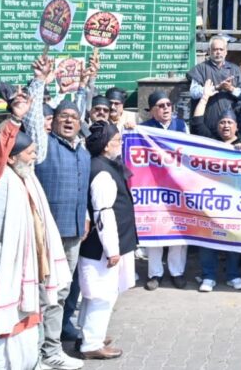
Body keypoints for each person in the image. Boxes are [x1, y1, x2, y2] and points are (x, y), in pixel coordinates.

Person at [0, 111, 70, 370]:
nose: (34, 156)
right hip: (0, 265)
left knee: (27, 319)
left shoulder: (26, 176)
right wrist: (14, 120)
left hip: (28, 265)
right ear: (12, 157)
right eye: (29, 153)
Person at [34, 100, 90, 370]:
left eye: (74, 117)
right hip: (48, 235)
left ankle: (51, 347)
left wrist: (85, 217)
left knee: (62, 292)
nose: (69, 121)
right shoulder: (44, 146)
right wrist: (38, 84)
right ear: (53, 120)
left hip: (74, 233)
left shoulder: (83, 152)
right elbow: (34, 122)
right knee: (45, 294)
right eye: (63, 116)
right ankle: (41, 350)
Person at [76, 122, 134, 360]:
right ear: (105, 146)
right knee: (103, 295)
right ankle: (91, 343)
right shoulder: (102, 172)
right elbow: (103, 213)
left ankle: (88, 333)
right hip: (101, 247)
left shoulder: (101, 165)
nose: (120, 144)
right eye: (117, 141)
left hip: (101, 245)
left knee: (97, 294)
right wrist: (112, 250)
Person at [139, 93, 189, 290]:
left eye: (168, 104)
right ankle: (155, 273)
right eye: (161, 106)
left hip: (177, 186)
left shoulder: (181, 126)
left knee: (178, 229)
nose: (166, 108)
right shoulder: (144, 129)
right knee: (155, 229)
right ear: (152, 110)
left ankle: (177, 272)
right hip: (154, 187)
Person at [198, 111, 241, 293]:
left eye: (229, 122)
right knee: (207, 238)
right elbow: (197, 123)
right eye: (222, 122)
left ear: (236, 126)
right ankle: (208, 276)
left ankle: (233, 275)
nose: (226, 126)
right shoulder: (209, 144)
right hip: (211, 201)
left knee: (233, 239)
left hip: (235, 203)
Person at [187, 36, 241, 132]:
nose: (218, 52)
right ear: (209, 51)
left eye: (221, 49)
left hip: (229, 126)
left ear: (226, 51)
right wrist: (216, 88)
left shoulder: (234, 69)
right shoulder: (200, 69)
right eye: (215, 49)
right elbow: (193, 93)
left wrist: (231, 89)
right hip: (207, 124)